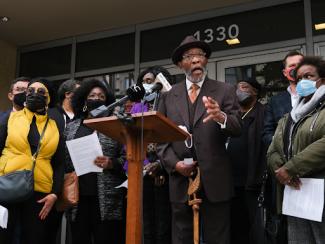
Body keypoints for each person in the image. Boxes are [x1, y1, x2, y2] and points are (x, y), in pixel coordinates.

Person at [157, 36, 241, 244]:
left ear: (206, 60)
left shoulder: (224, 90)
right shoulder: (168, 96)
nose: (195, 60)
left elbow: (238, 128)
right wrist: (174, 164)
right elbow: (160, 139)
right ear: (179, 64)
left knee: (217, 237)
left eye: (199, 55)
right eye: (189, 56)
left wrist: (221, 117)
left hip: (216, 178)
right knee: (182, 236)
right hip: (180, 180)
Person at [267, 56, 325, 243]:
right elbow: (273, 150)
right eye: (299, 78)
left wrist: (291, 168)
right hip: (296, 196)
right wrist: (281, 171)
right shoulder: (289, 117)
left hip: (320, 195)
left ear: (321, 80)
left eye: (309, 76)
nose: (303, 82)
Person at [0, 78, 65, 244]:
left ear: (48, 98)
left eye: (41, 92)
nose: (34, 94)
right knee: (4, 237)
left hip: (40, 193)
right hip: (8, 185)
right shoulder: (10, 119)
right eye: (30, 91)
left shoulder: (55, 126)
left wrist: (54, 194)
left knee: (34, 238)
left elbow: (59, 163)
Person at [65, 79, 126, 244]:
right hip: (78, 197)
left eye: (101, 96)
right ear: (84, 100)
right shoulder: (72, 126)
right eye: (92, 95)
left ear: (107, 101)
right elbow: (64, 160)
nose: (96, 98)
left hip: (107, 199)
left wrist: (112, 163)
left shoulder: (115, 124)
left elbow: (127, 159)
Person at [131, 66, 173, 244]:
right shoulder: (137, 107)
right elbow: (132, 140)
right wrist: (146, 165)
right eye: (146, 82)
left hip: (165, 171)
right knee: (146, 226)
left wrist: (160, 166)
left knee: (163, 227)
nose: (149, 85)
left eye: (153, 82)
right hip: (142, 171)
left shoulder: (171, 105)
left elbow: (174, 137)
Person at [227, 79, 266, 244]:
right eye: (237, 88)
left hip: (253, 181)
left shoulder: (264, 113)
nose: (239, 91)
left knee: (255, 228)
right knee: (236, 227)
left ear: (255, 92)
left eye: (243, 87)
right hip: (230, 181)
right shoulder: (231, 115)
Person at [263, 51, 303, 148]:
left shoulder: (320, 94)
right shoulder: (275, 101)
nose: (296, 68)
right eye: (292, 65)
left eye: (300, 65)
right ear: (285, 73)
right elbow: (266, 133)